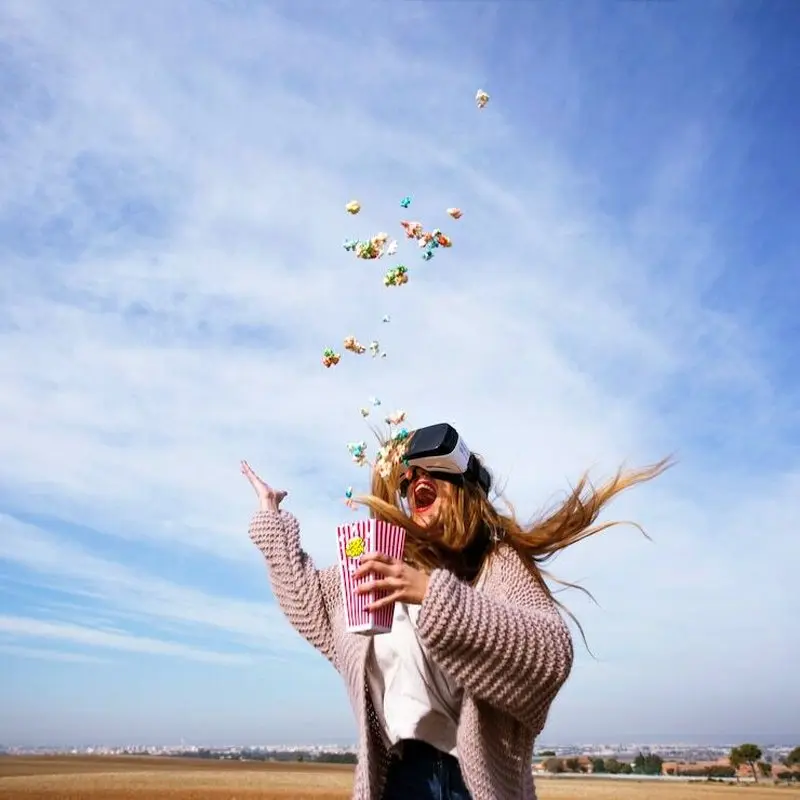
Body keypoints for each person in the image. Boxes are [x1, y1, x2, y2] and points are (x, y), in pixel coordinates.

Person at [241, 422, 669, 800]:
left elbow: (552, 654)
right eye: (408, 478)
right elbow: (310, 602)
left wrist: (432, 595)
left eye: (432, 471)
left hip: (474, 783)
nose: (414, 480)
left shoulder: (497, 566)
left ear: (465, 489)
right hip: (397, 779)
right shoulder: (381, 561)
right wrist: (271, 518)